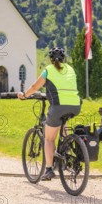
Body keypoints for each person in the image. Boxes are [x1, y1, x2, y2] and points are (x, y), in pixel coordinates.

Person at [17, 47, 81, 181]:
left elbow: (35, 87)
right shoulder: (70, 69)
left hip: (58, 106)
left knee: (49, 139)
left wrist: (24, 95)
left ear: (51, 59)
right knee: (63, 121)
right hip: (76, 105)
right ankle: (67, 147)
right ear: (64, 59)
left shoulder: (49, 70)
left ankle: (49, 169)